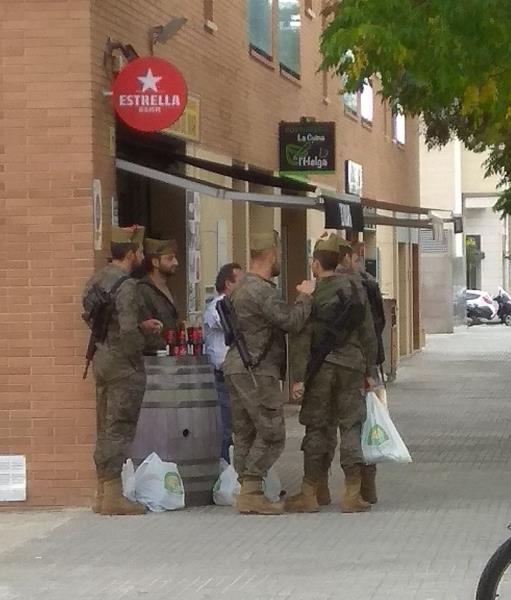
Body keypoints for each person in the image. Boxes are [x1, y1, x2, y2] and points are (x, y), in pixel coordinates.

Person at [223, 230, 315, 515]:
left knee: (246, 431)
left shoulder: (239, 287)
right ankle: (251, 488)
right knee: (273, 431)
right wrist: (305, 297)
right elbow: (291, 322)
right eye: (278, 254)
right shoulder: (261, 290)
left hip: (238, 367)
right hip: (257, 370)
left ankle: (248, 492)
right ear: (271, 254)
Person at [285, 234, 377, 514]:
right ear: (339, 260)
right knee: (351, 426)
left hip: (320, 369)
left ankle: (311, 491)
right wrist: (370, 370)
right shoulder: (356, 288)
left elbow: (301, 340)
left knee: (317, 427)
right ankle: (352, 493)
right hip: (352, 366)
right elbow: (368, 333)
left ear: (315, 264)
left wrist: (298, 377)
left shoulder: (312, 294)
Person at [82, 226, 163, 515]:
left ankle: (102, 491)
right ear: (130, 253)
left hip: (102, 360)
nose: (142, 255)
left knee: (105, 427)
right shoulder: (127, 286)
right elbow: (128, 332)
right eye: (139, 251)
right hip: (122, 367)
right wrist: (143, 341)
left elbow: (94, 318)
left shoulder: (96, 280)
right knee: (119, 429)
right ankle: (114, 496)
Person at [337, 239, 384, 504]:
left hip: (330, 367)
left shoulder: (322, 286)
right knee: (362, 424)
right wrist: (373, 368)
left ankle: (318, 490)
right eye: (355, 258)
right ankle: (362, 488)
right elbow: (374, 328)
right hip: (361, 364)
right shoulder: (365, 285)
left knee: (327, 426)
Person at [203, 263, 244, 463]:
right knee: (225, 428)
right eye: (240, 281)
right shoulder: (217, 306)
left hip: (236, 375)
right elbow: (234, 325)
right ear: (228, 283)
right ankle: (224, 473)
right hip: (222, 377)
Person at [137, 238, 179, 354]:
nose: (176, 262)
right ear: (155, 262)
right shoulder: (143, 290)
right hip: (153, 357)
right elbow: (145, 331)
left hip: (170, 355)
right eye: (170, 258)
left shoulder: (168, 289)